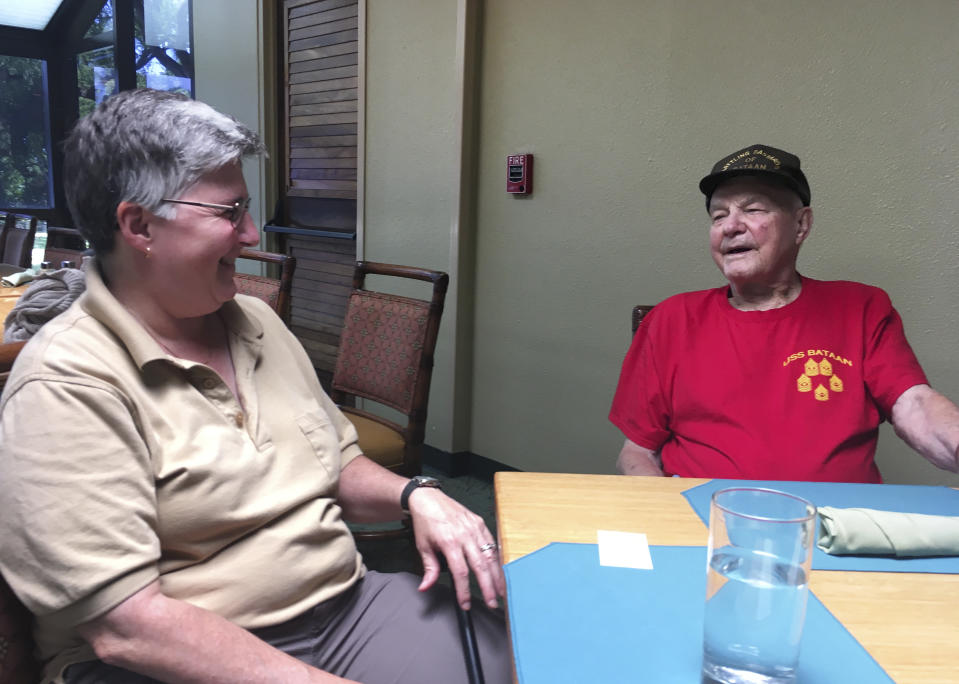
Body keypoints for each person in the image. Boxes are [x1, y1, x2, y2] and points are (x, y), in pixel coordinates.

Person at [0, 89, 509, 684]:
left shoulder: (257, 321)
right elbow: (124, 627)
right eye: (227, 211)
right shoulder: (64, 384)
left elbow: (335, 460)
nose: (248, 232)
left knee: (536, 647)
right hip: (167, 658)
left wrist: (417, 494)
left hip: (344, 608)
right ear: (139, 225)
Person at [609, 144, 959, 482]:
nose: (731, 226)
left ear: (801, 226)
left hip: (835, 527)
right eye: (719, 215)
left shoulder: (861, 308)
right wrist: (669, 519)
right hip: (706, 524)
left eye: (754, 209)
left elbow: (914, 405)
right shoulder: (671, 320)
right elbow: (637, 451)